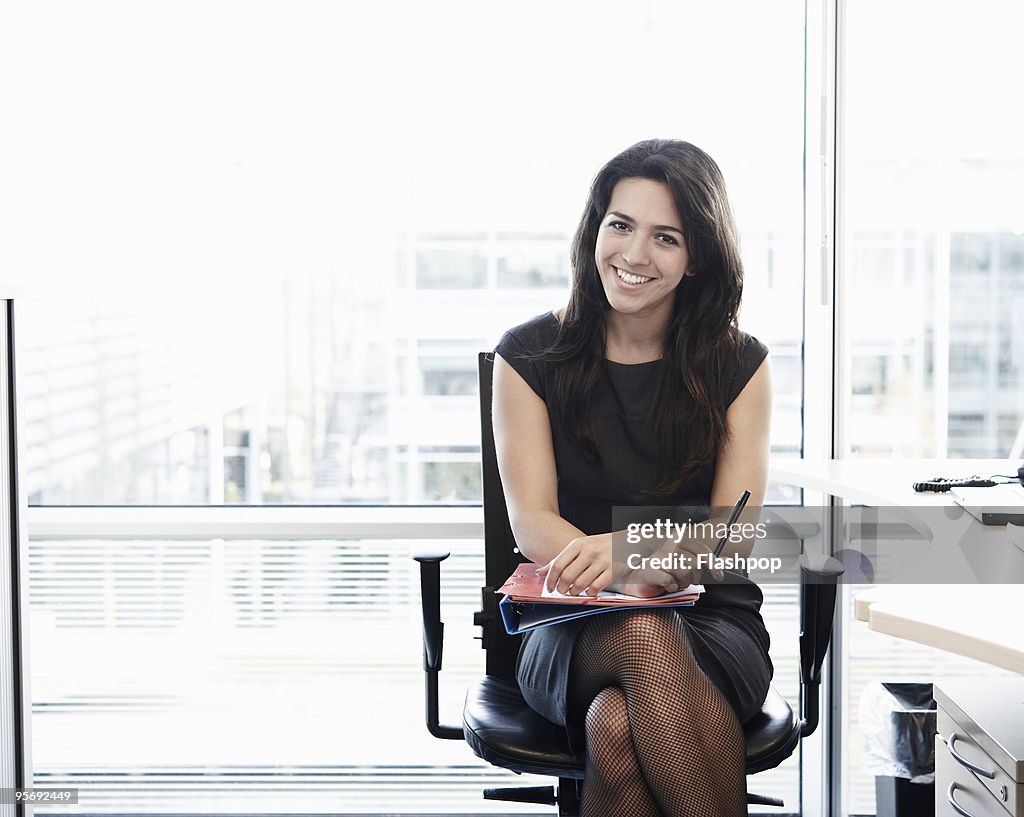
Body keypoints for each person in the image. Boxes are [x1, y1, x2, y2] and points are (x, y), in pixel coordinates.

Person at [492, 139, 773, 817]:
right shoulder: (528, 356)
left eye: (666, 237)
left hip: (712, 623)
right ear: (596, 229)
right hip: (569, 623)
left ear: (696, 256)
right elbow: (533, 520)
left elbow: (732, 534)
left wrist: (633, 550)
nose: (635, 254)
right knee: (641, 631)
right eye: (621, 225)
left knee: (614, 729)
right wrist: (625, 570)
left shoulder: (740, 364)